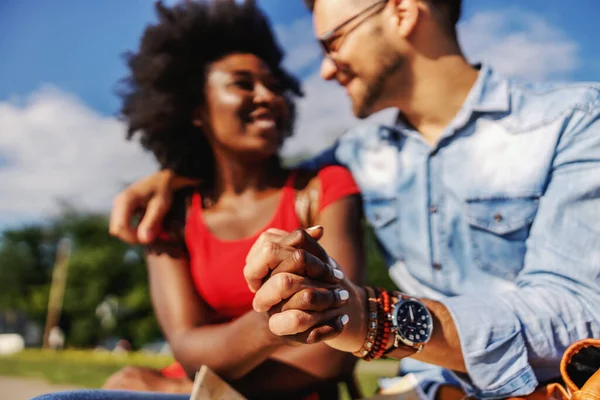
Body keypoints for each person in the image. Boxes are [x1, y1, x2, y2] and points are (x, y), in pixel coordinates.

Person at [110, 0, 600, 398]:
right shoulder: (357, 157)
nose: (324, 70)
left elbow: (579, 309)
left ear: (403, 12)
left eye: (334, 41)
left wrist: (379, 319)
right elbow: (254, 176)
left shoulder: (574, 122)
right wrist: (175, 175)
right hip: (423, 390)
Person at [35, 1, 365, 400]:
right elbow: (188, 347)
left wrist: (189, 391)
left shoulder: (324, 188)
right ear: (196, 110)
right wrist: (286, 318)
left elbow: (333, 349)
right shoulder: (168, 212)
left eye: (275, 86)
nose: (267, 96)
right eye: (243, 84)